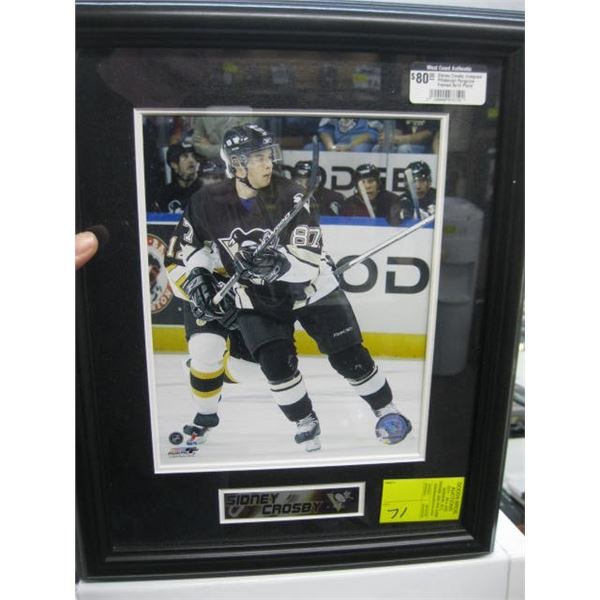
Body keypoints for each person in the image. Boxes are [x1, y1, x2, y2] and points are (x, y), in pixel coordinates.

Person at [170, 123, 411, 452]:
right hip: (256, 296)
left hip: (311, 289)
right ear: (237, 164)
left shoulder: (292, 196)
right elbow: (191, 245)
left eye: (268, 155)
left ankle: (386, 409)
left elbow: (308, 259)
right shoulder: (206, 202)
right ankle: (304, 420)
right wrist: (199, 273)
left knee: (349, 356)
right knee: (275, 365)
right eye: (258, 158)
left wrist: (279, 263)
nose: (268, 163)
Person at [340, 164, 409, 225]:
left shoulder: (392, 200)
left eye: (371, 181)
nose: (367, 186)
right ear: (357, 186)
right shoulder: (348, 205)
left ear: (378, 183)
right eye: (362, 182)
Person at [155, 139, 202, 213]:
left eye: (193, 156)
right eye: (185, 156)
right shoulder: (165, 195)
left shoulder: (206, 191)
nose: (191, 160)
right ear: (174, 165)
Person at [314, 117, 382, 153]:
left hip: (360, 143)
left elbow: (373, 134)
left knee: (359, 150)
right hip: (337, 144)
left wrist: (350, 146)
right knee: (311, 148)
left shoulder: (369, 104)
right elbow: (325, 129)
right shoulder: (334, 102)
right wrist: (330, 147)